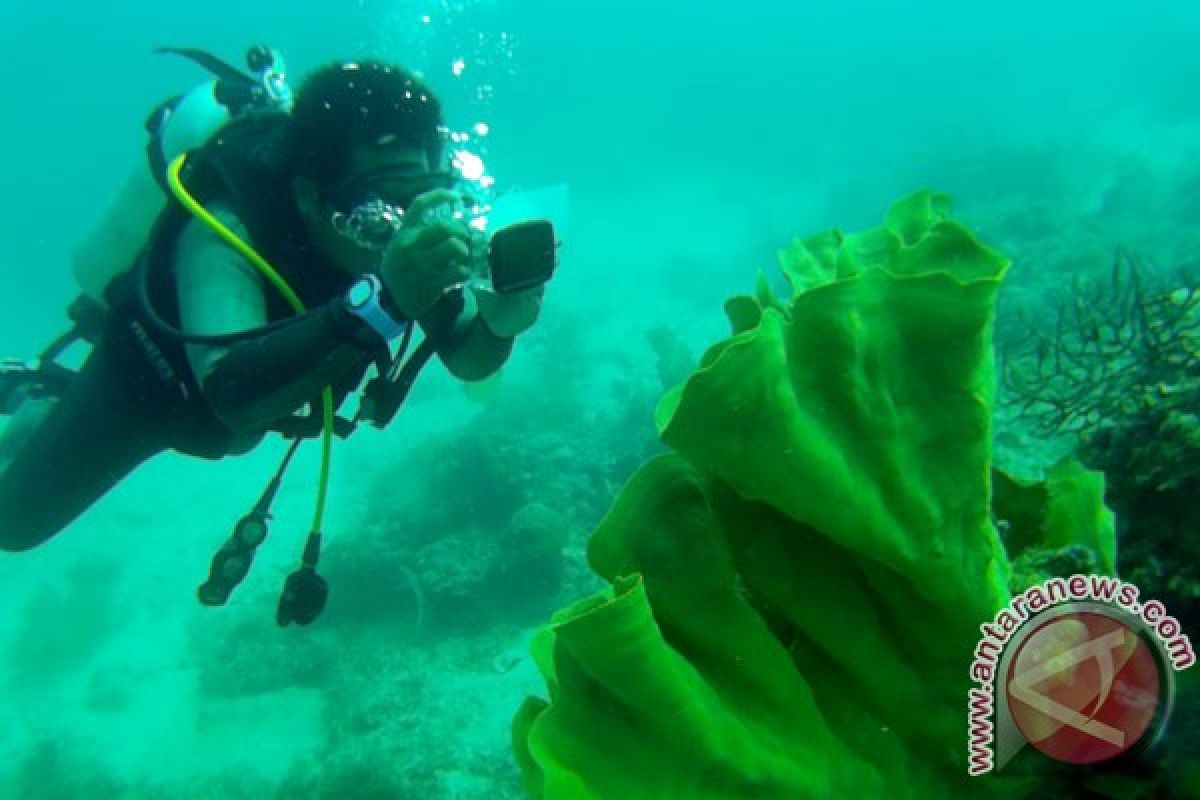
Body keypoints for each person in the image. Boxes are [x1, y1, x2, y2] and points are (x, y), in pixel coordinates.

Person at [0, 56, 553, 616]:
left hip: (278, 382)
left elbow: (468, 358)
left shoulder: (396, 238)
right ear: (311, 195)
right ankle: (43, 401)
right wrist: (387, 299)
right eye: (380, 202)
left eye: (422, 194)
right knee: (14, 520)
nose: (402, 221)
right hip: (153, 387)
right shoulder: (229, 229)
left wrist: (499, 325)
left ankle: (46, 399)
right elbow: (231, 399)